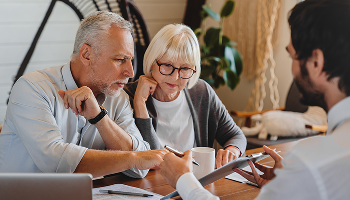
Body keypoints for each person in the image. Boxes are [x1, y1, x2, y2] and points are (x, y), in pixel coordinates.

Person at [159, 0, 350, 199]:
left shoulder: (311, 162)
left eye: (293, 57)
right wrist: (287, 186)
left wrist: (183, 181)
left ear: (317, 62)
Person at [0, 11, 168, 178]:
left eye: (130, 60)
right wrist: (133, 159)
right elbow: (55, 163)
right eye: (119, 59)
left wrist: (99, 118)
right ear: (86, 55)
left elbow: (140, 169)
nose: (130, 72)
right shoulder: (32, 88)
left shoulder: (118, 98)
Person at [123, 24, 247, 168]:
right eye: (167, 65)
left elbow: (236, 136)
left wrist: (232, 150)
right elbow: (146, 158)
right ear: (152, 62)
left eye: (185, 68)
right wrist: (139, 104)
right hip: (149, 186)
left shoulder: (201, 92)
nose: (175, 77)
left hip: (194, 182)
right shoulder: (128, 96)